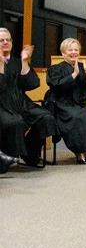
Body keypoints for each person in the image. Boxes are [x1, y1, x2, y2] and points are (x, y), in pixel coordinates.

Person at [0, 27, 56, 169]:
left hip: (21, 102)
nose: (5, 42)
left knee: (46, 117)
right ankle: (8, 158)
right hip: (2, 104)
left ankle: (30, 152)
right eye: (1, 40)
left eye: (8, 40)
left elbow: (33, 84)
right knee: (14, 122)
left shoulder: (17, 62)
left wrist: (25, 62)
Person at [45, 38, 86, 164]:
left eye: (76, 50)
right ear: (63, 53)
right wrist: (74, 74)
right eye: (70, 50)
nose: (74, 52)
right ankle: (80, 152)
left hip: (83, 102)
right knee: (75, 117)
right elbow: (56, 85)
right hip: (63, 104)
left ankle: (82, 151)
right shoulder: (55, 69)